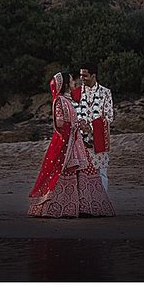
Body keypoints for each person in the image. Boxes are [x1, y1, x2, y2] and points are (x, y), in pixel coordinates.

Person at [28, 72, 115, 218]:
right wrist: (75, 126)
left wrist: (80, 125)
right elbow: (60, 123)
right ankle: (64, 207)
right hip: (68, 142)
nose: (75, 82)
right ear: (66, 85)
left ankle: (82, 206)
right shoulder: (61, 101)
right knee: (69, 171)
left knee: (84, 172)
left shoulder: (67, 99)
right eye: (71, 81)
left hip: (75, 141)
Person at [76, 65, 114, 192]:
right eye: (81, 75)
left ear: (93, 76)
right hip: (81, 142)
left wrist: (91, 127)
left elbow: (109, 116)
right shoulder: (76, 93)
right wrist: (81, 125)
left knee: (101, 173)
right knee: (82, 174)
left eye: (85, 75)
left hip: (99, 140)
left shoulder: (105, 93)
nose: (82, 78)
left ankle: (103, 206)